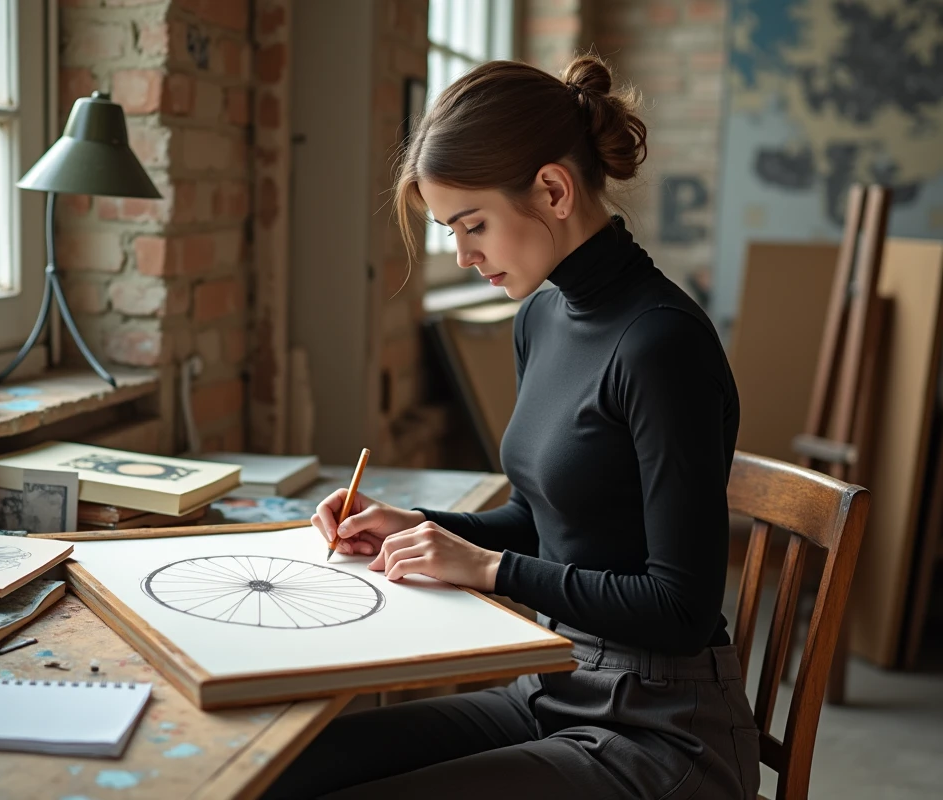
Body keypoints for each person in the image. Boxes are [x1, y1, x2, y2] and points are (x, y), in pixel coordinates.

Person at [264, 55, 760, 800]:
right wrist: (414, 524)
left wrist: (487, 571)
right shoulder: (541, 316)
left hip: (662, 729)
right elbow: (542, 517)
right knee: (285, 767)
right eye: (448, 231)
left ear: (553, 189)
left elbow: (682, 609)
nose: (463, 256)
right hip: (553, 683)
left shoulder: (662, 345)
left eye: (474, 225)